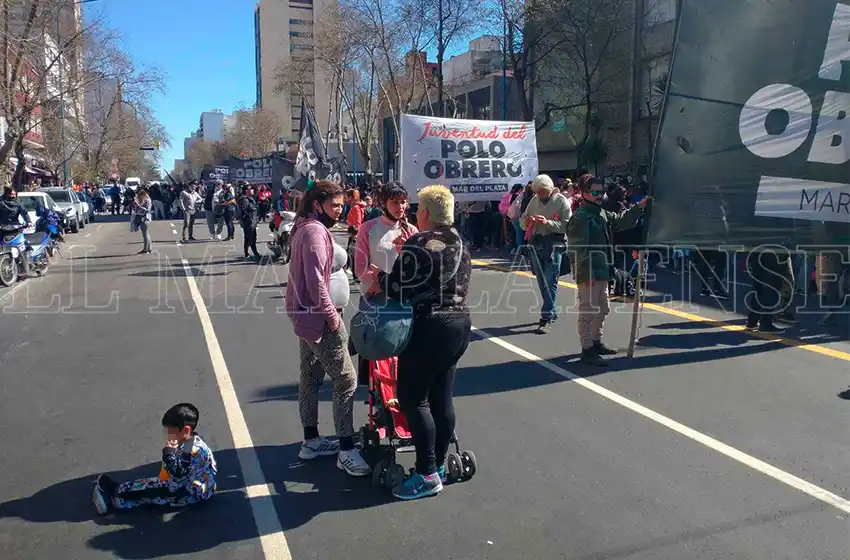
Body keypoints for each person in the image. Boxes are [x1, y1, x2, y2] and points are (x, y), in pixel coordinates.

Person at [362, 184, 472, 500]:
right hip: (459, 323)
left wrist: (379, 276)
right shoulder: (460, 241)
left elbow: (397, 287)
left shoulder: (418, 242)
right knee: (442, 396)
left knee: (413, 398)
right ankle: (434, 466)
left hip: (429, 325)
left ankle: (426, 473)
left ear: (424, 213)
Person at [285, 180, 371, 477]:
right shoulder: (313, 232)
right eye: (335, 205)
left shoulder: (307, 228)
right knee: (346, 379)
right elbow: (315, 282)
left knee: (310, 377)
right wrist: (332, 320)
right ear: (317, 204)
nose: (340, 210)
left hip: (308, 317)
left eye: (341, 205)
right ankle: (346, 449)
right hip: (320, 318)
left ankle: (311, 440)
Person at [568, 174, 650, 366]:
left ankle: (596, 342)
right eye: (595, 192)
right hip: (590, 272)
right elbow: (578, 249)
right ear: (584, 193)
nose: (599, 195)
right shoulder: (581, 218)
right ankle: (587, 349)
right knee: (588, 311)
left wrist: (640, 207)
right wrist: (586, 273)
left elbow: (622, 221)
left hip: (603, 269)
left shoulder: (600, 213)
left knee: (603, 308)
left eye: (601, 191)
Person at [92, 403, 217, 514]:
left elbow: (178, 475)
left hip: (187, 492)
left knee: (150, 488)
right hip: (202, 487)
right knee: (153, 494)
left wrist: (168, 454)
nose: (168, 434)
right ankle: (123, 501)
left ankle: (116, 492)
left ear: (185, 430)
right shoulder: (192, 441)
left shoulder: (191, 450)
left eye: (170, 431)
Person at [520, 174, 572, 334]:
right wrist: (527, 221)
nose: (539, 194)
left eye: (542, 191)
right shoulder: (534, 201)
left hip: (554, 245)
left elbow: (568, 225)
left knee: (551, 281)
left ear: (550, 189)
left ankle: (546, 317)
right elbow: (522, 220)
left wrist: (547, 222)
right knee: (542, 282)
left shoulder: (561, 201)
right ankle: (551, 310)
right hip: (536, 244)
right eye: (537, 191)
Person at [238, 186, 262, 260]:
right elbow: (243, 211)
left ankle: (255, 253)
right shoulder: (245, 200)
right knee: (249, 238)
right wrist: (248, 219)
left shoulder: (251, 199)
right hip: (248, 222)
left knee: (253, 238)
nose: (252, 190)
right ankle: (247, 254)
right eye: (250, 189)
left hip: (253, 222)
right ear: (246, 191)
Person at [132, 186, 153, 254]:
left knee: (145, 234)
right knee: (146, 233)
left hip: (145, 218)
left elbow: (147, 210)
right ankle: (149, 248)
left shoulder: (147, 200)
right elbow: (136, 210)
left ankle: (145, 249)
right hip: (141, 217)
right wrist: (135, 206)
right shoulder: (144, 200)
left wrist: (139, 206)